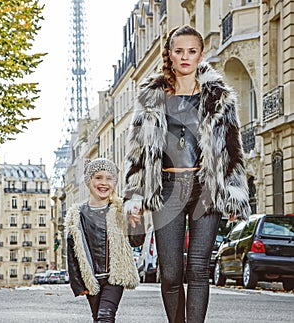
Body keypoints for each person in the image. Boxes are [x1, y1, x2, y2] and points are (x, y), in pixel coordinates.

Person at [123, 25, 251, 323]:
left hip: (206, 187)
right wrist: (134, 197)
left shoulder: (220, 98)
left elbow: (232, 148)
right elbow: (138, 153)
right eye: (179, 51)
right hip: (166, 187)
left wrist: (234, 194)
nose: (185, 57)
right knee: (170, 273)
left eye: (191, 51)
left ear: (200, 55)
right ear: (169, 54)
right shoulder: (150, 98)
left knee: (198, 269)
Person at [66, 158, 139, 323]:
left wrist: (135, 223)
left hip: (115, 276)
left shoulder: (121, 209)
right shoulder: (77, 214)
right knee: (97, 317)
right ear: (88, 180)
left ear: (114, 182)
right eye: (98, 177)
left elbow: (136, 242)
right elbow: (72, 252)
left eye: (109, 178)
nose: (103, 183)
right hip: (91, 278)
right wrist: (77, 283)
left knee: (105, 316)